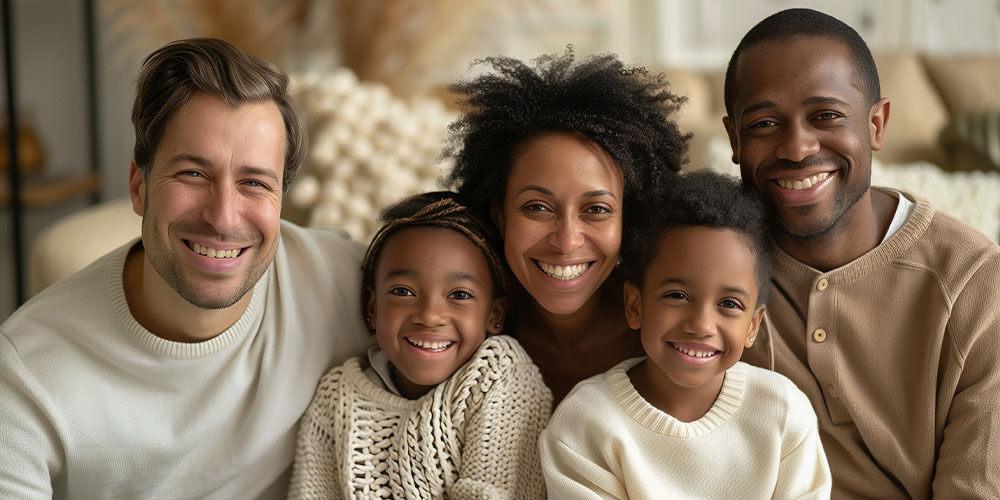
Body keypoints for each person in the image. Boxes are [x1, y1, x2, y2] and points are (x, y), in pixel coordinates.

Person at [0, 38, 372, 498]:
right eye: (193, 174)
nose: (223, 217)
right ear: (139, 186)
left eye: (254, 183)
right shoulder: (27, 373)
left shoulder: (347, 284)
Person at [723, 8, 1000, 498]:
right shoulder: (710, 262)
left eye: (825, 116)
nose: (797, 147)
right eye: (765, 123)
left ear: (876, 123)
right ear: (733, 140)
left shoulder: (975, 282)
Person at [538, 171, 831, 499]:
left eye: (729, 304)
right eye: (677, 296)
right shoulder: (585, 423)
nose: (701, 325)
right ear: (635, 305)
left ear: (753, 325)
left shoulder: (784, 412)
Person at [442, 46, 690, 403]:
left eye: (597, 210)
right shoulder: (467, 328)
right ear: (499, 216)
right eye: (538, 207)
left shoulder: (673, 331)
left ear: (629, 217)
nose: (567, 241)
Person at [288, 191, 552, 499]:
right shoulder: (337, 396)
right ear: (372, 308)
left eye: (460, 295)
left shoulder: (500, 377)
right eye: (403, 291)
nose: (429, 315)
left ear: (494, 316)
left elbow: (493, 491)